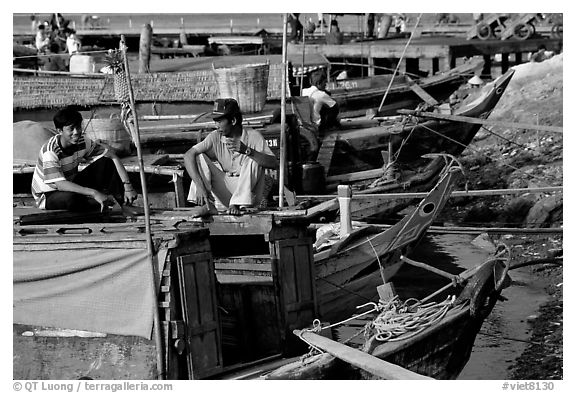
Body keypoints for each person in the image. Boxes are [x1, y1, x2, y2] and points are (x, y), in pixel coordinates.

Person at [31, 107, 138, 212]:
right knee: (72, 199)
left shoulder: (83, 141)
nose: (76, 132)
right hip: (49, 194)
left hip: (71, 183)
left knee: (106, 162)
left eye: (78, 127)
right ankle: (100, 204)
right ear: (60, 131)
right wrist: (94, 193)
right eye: (71, 129)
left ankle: (120, 203)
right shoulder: (51, 151)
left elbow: (112, 156)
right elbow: (60, 184)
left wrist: (128, 186)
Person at [184, 98, 278, 216]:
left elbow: (274, 163)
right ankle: (207, 205)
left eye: (219, 121)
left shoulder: (254, 136)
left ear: (233, 120)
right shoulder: (215, 137)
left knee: (252, 158)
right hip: (227, 191)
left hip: (248, 196)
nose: (216, 125)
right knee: (199, 156)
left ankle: (238, 204)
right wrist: (199, 185)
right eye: (215, 121)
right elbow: (188, 155)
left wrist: (247, 151)